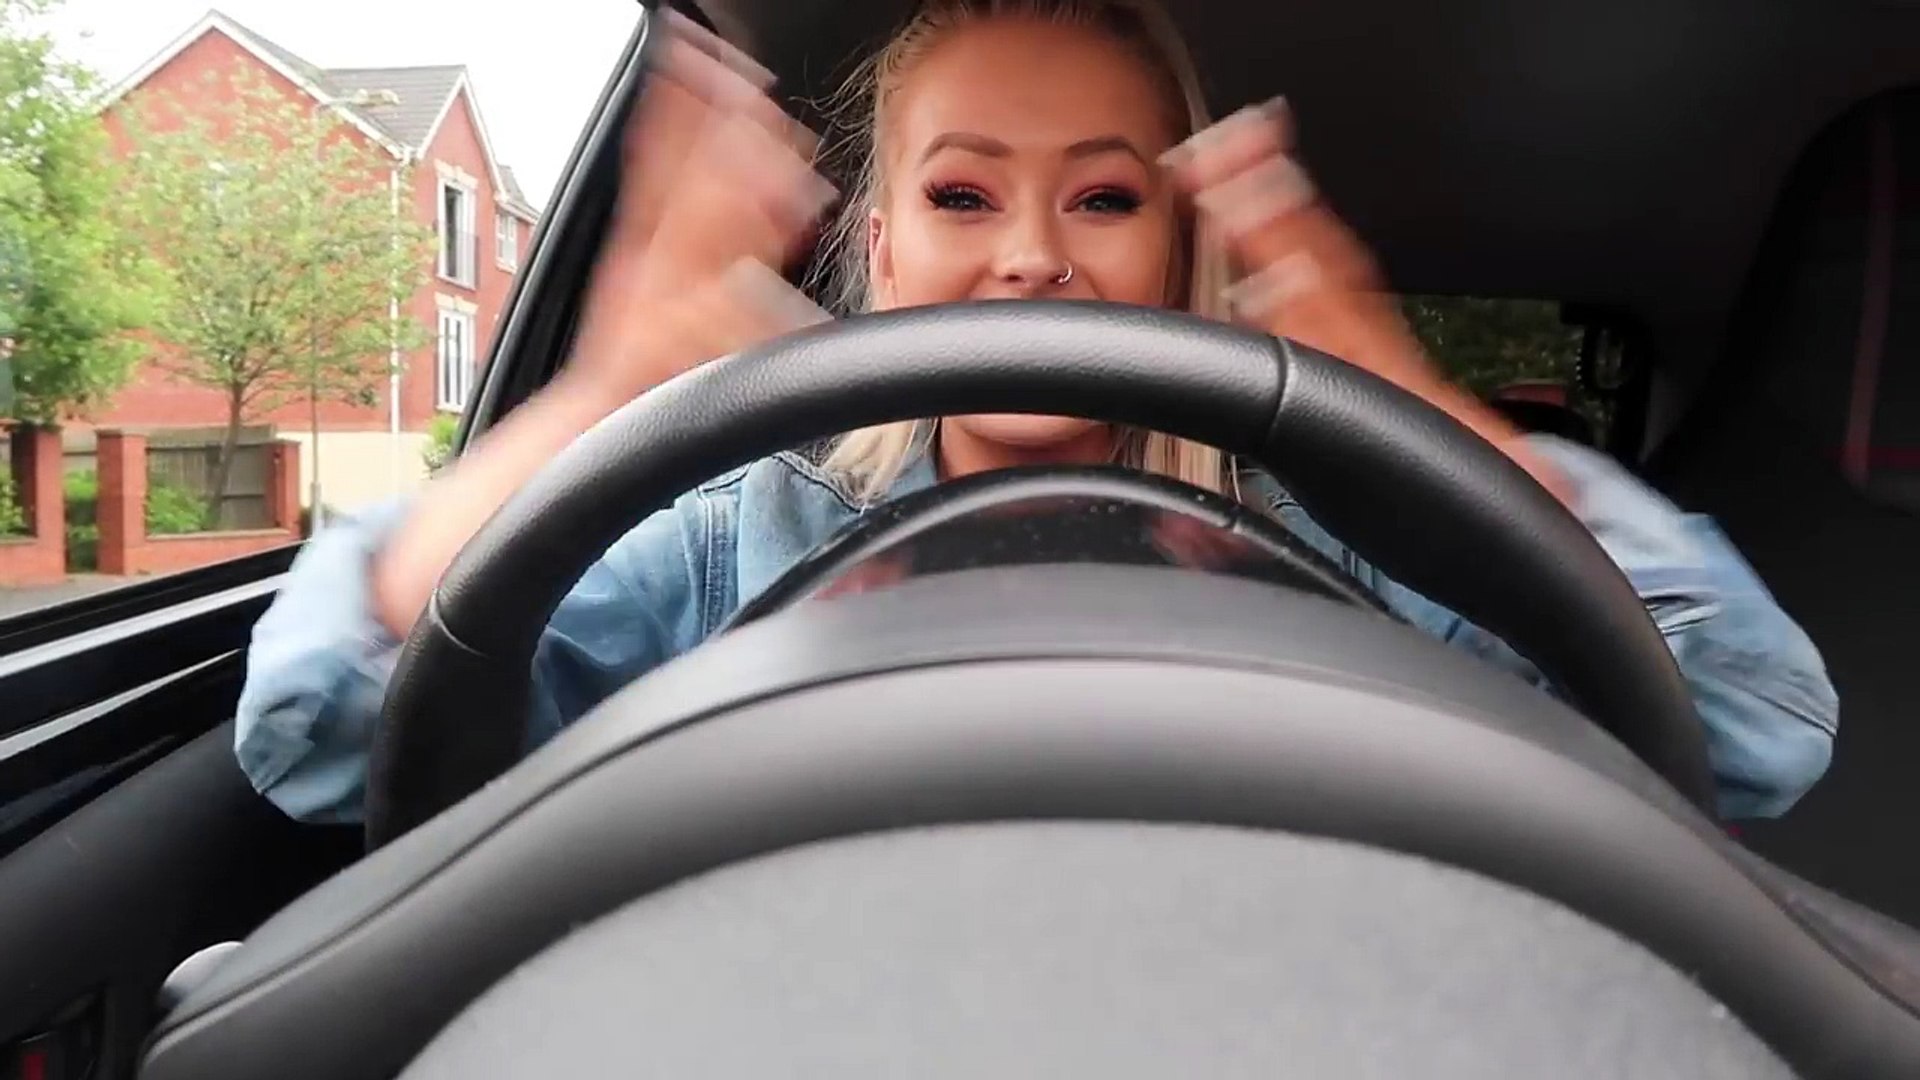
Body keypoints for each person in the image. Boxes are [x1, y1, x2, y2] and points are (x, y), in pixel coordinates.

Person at [234, 0, 1837, 826]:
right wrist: (608, 388)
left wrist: (1395, 393)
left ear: (1180, 252)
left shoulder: (1337, 537)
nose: (1027, 256)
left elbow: (1749, 721)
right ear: (879, 247)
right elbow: (321, 730)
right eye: (961, 193)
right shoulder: (734, 539)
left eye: (1104, 198)